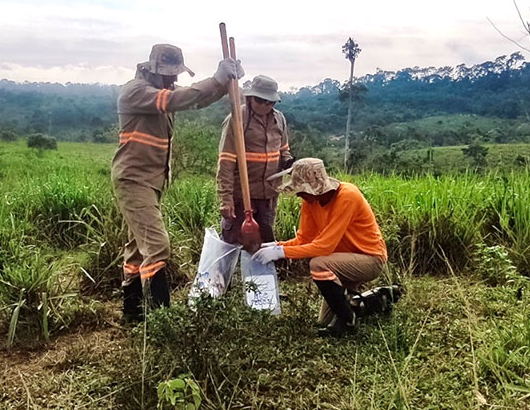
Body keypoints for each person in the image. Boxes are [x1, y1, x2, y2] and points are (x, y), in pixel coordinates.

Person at [113, 43, 243, 323]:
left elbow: (194, 100)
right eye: (169, 75)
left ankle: (132, 313)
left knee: (138, 247)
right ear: (153, 70)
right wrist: (217, 78)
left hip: (152, 181)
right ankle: (163, 322)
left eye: (176, 75)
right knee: (158, 247)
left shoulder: (162, 91)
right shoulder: (136, 91)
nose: (173, 80)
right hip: (133, 179)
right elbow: (175, 100)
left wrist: (224, 84)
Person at [252, 158, 401, 336]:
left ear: (316, 188)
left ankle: (347, 323)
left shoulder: (347, 196)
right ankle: (376, 298)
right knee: (323, 320)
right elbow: (304, 239)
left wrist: (279, 252)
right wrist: (277, 246)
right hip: (341, 262)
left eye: (302, 191)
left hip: (369, 259)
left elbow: (324, 247)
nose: (300, 196)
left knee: (318, 264)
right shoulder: (310, 202)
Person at [216, 74, 293, 246]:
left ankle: (259, 273)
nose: (265, 105)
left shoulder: (279, 119)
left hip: (269, 195)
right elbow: (226, 161)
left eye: (270, 102)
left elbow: (284, 150)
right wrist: (226, 199)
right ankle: (229, 272)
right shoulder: (237, 119)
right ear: (251, 98)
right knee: (233, 242)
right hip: (241, 195)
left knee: (264, 243)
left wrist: (288, 162)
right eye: (260, 100)